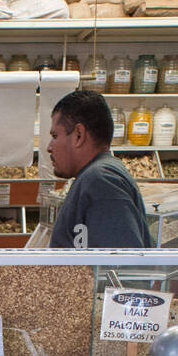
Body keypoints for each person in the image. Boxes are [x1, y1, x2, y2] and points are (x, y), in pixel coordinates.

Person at [46, 90, 151, 249]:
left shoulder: (101, 182)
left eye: (55, 136)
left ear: (79, 135)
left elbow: (118, 267)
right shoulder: (94, 177)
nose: (49, 147)